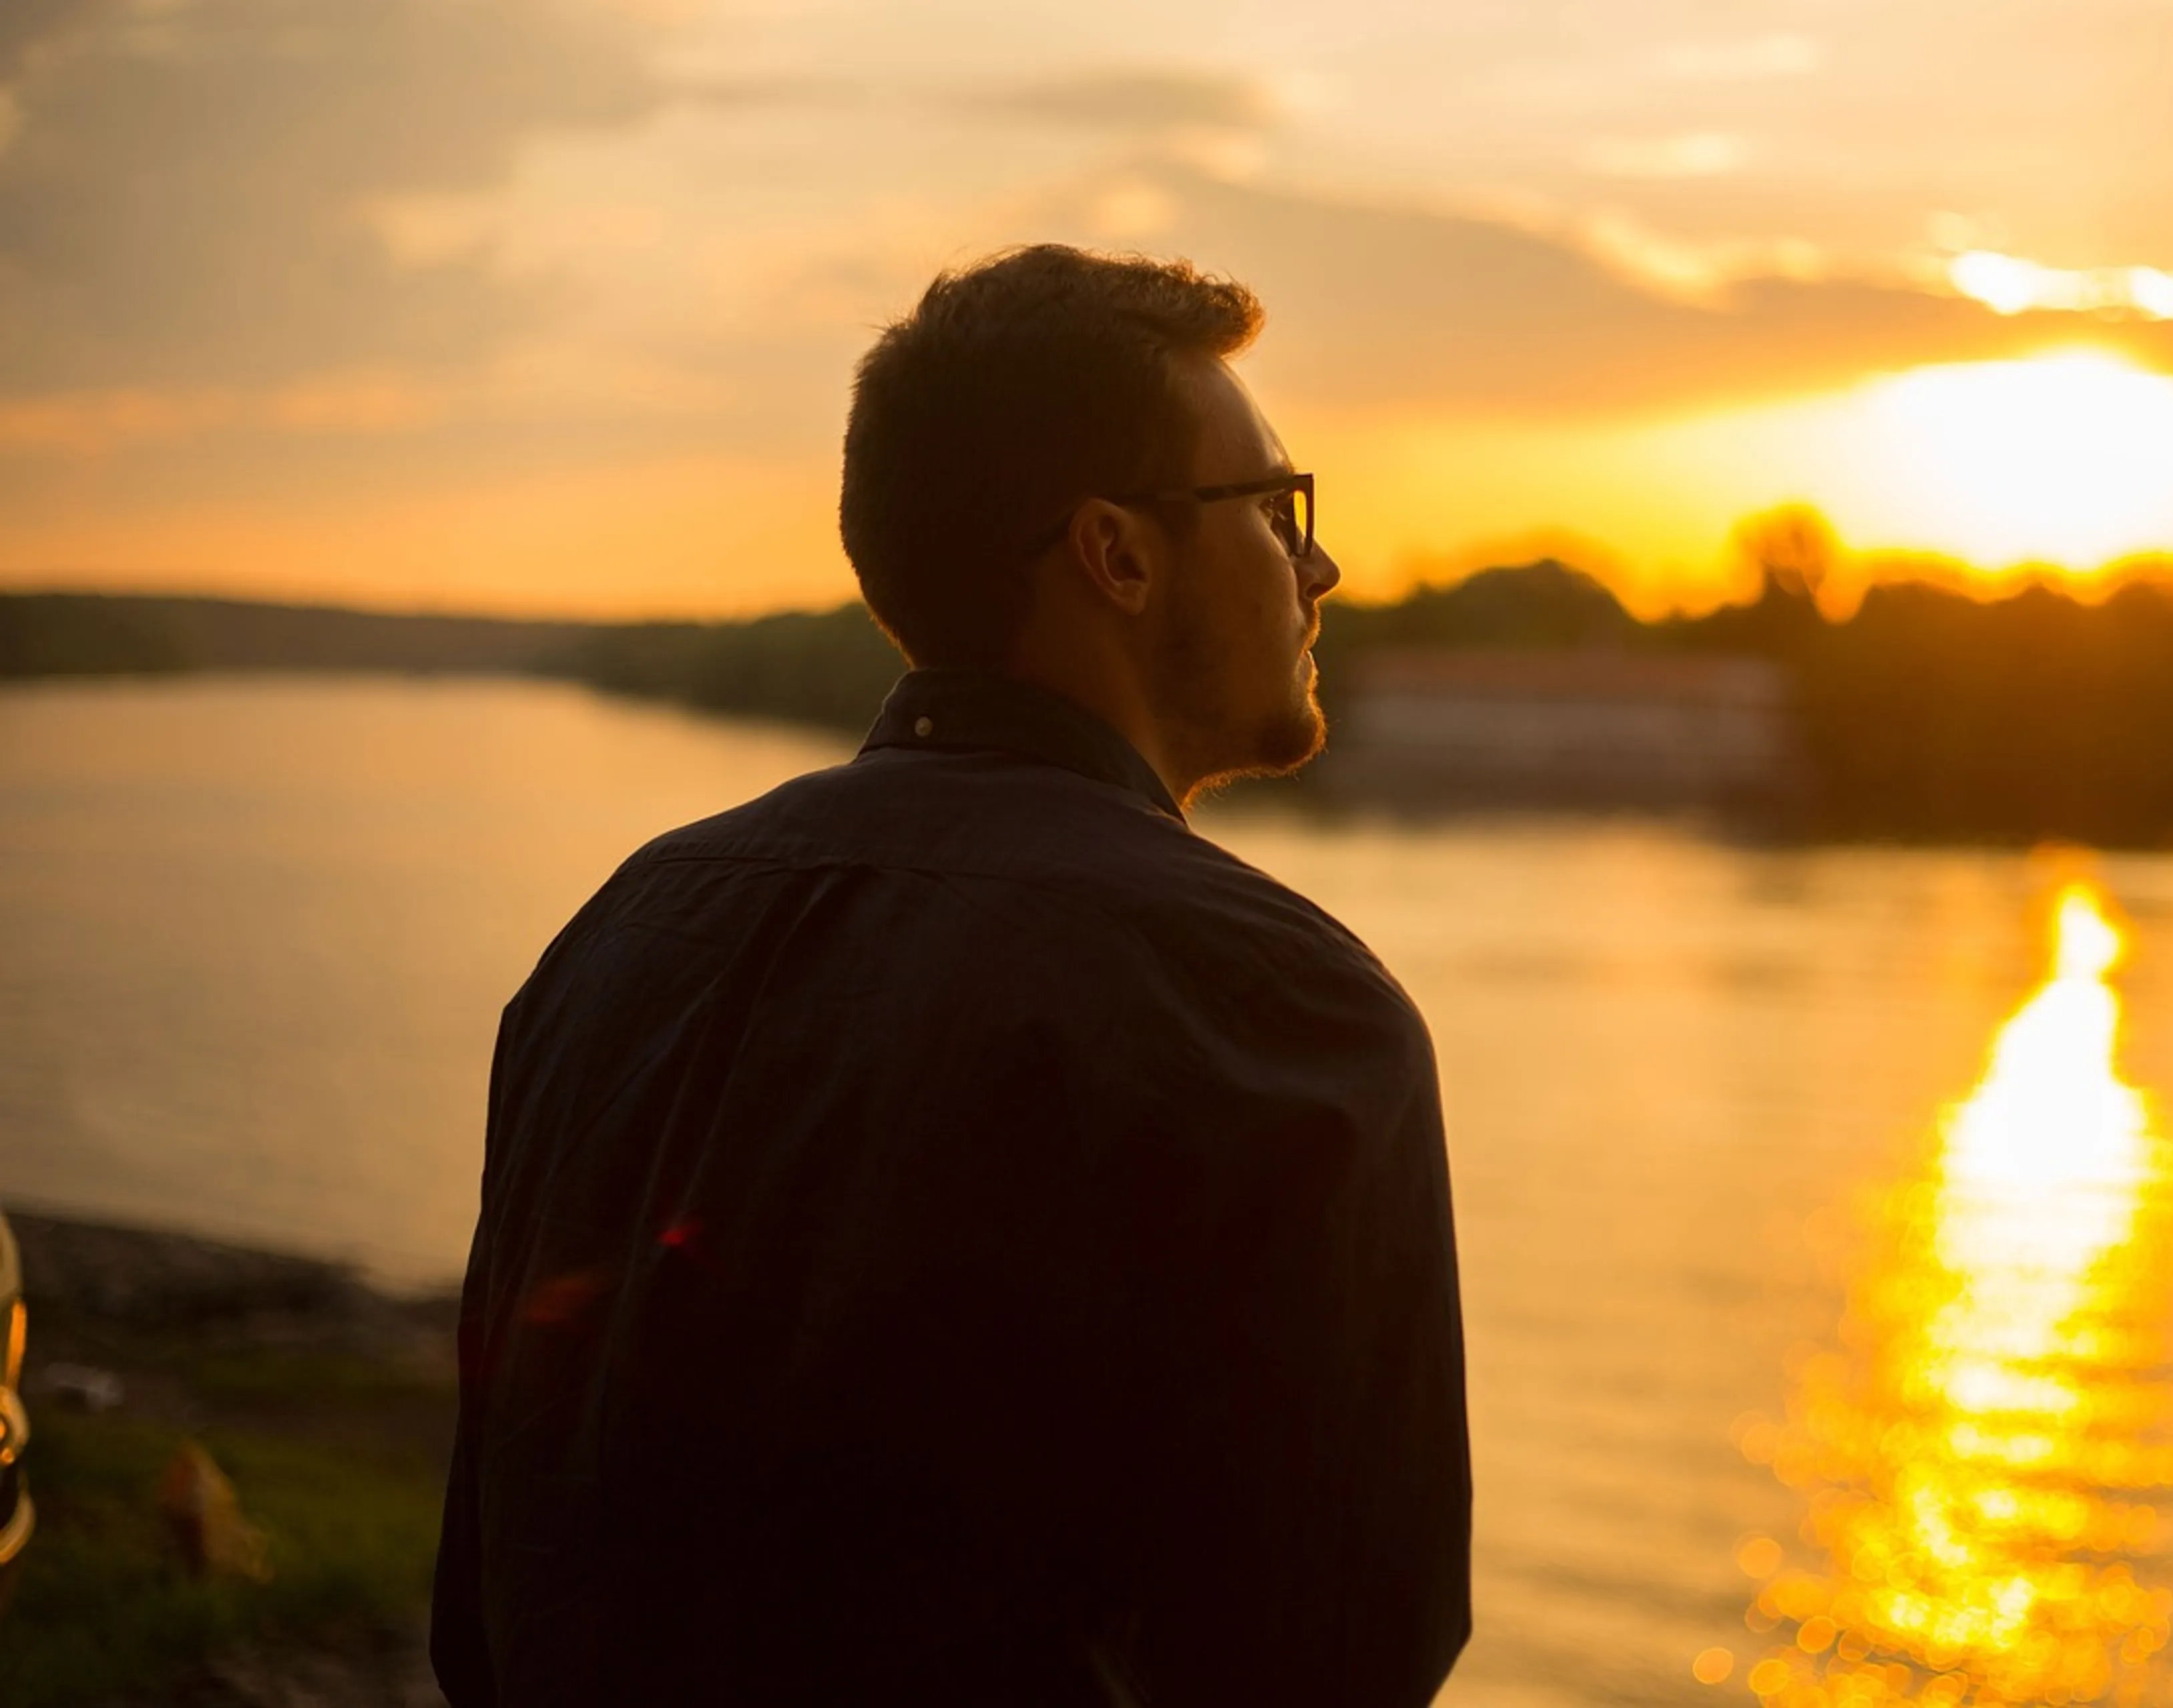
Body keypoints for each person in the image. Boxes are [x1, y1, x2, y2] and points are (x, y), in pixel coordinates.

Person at [431, 244, 1473, 1707]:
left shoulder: (620, 935)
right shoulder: (1279, 1010)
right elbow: (1343, 1652)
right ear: (1118, 555)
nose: (1320, 565)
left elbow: (489, 1586)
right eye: (1274, 506)